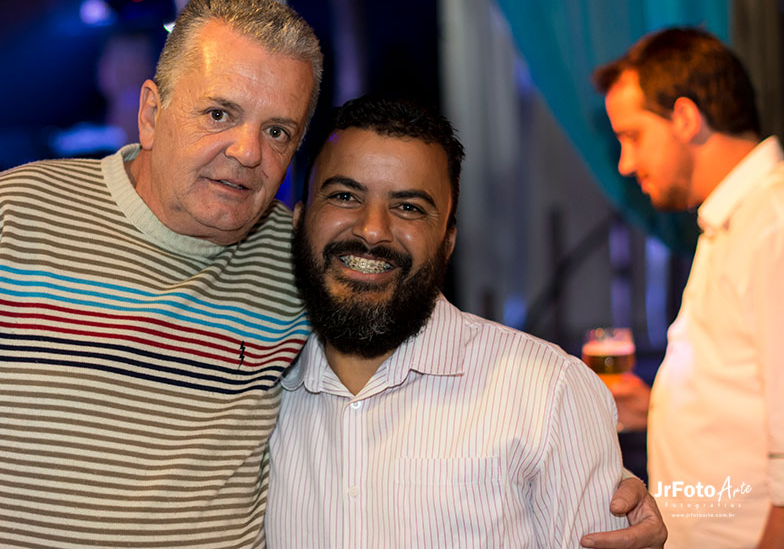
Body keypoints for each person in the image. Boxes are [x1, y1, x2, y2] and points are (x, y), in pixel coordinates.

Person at [0, 0, 660, 548]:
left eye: (278, 131)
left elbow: (411, 326)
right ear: (151, 111)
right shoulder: (3, 219)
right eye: (220, 112)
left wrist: (601, 491)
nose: (246, 152)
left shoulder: (299, 263)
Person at [267, 97, 666, 548]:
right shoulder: (256, 389)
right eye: (344, 196)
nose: (373, 229)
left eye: (409, 207)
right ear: (298, 220)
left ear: (448, 240)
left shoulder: (549, 394)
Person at [593, 27, 783, 548]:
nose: (625, 163)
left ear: (685, 118)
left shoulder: (772, 222)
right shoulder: (732, 222)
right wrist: (658, 408)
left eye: (633, 136)